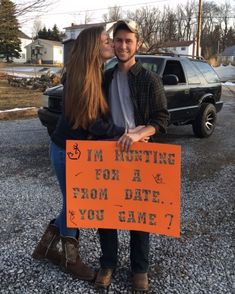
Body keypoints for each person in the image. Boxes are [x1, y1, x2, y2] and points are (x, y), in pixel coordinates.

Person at [31, 25, 142, 281]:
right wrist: (125, 130)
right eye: (106, 41)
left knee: (73, 203)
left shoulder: (96, 72)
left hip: (78, 151)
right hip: (65, 150)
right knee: (75, 205)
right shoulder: (80, 76)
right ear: (93, 46)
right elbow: (90, 122)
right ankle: (71, 261)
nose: (112, 45)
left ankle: (45, 247)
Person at [95, 20, 169, 292]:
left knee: (139, 214)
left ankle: (140, 268)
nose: (123, 45)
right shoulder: (105, 78)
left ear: (137, 44)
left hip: (139, 156)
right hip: (107, 155)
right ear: (113, 43)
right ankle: (108, 264)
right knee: (107, 213)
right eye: (119, 40)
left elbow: (162, 119)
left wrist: (139, 133)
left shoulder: (150, 79)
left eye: (129, 41)